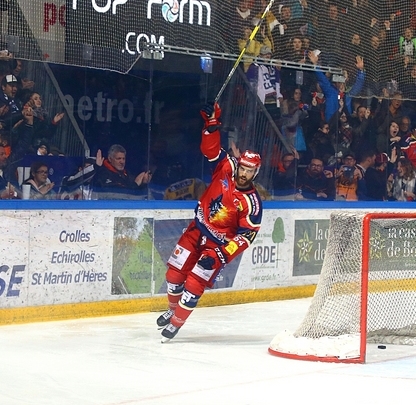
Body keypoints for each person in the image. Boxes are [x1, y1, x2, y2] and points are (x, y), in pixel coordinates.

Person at [156, 102, 263, 342]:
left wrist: (221, 255)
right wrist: (211, 126)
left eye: (250, 171)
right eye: (243, 168)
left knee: (194, 284)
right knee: (174, 275)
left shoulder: (252, 203)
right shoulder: (227, 167)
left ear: (256, 173)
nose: (244, 173)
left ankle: (176, 323)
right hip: (197, 229)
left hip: (216, 247)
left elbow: (246, 236)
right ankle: (172, 309)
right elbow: (211, 151)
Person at [246, 45, 283, 122]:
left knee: (274, 123)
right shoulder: (254, 67)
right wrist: (256, 99)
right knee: (261, 123)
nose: (267, 56)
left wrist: (279, 94)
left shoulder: (273, 66)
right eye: (265, 54)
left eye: (269, 54)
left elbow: (277, 82)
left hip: (273, 100)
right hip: (261, 101)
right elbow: (251, 84)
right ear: (260, 55)